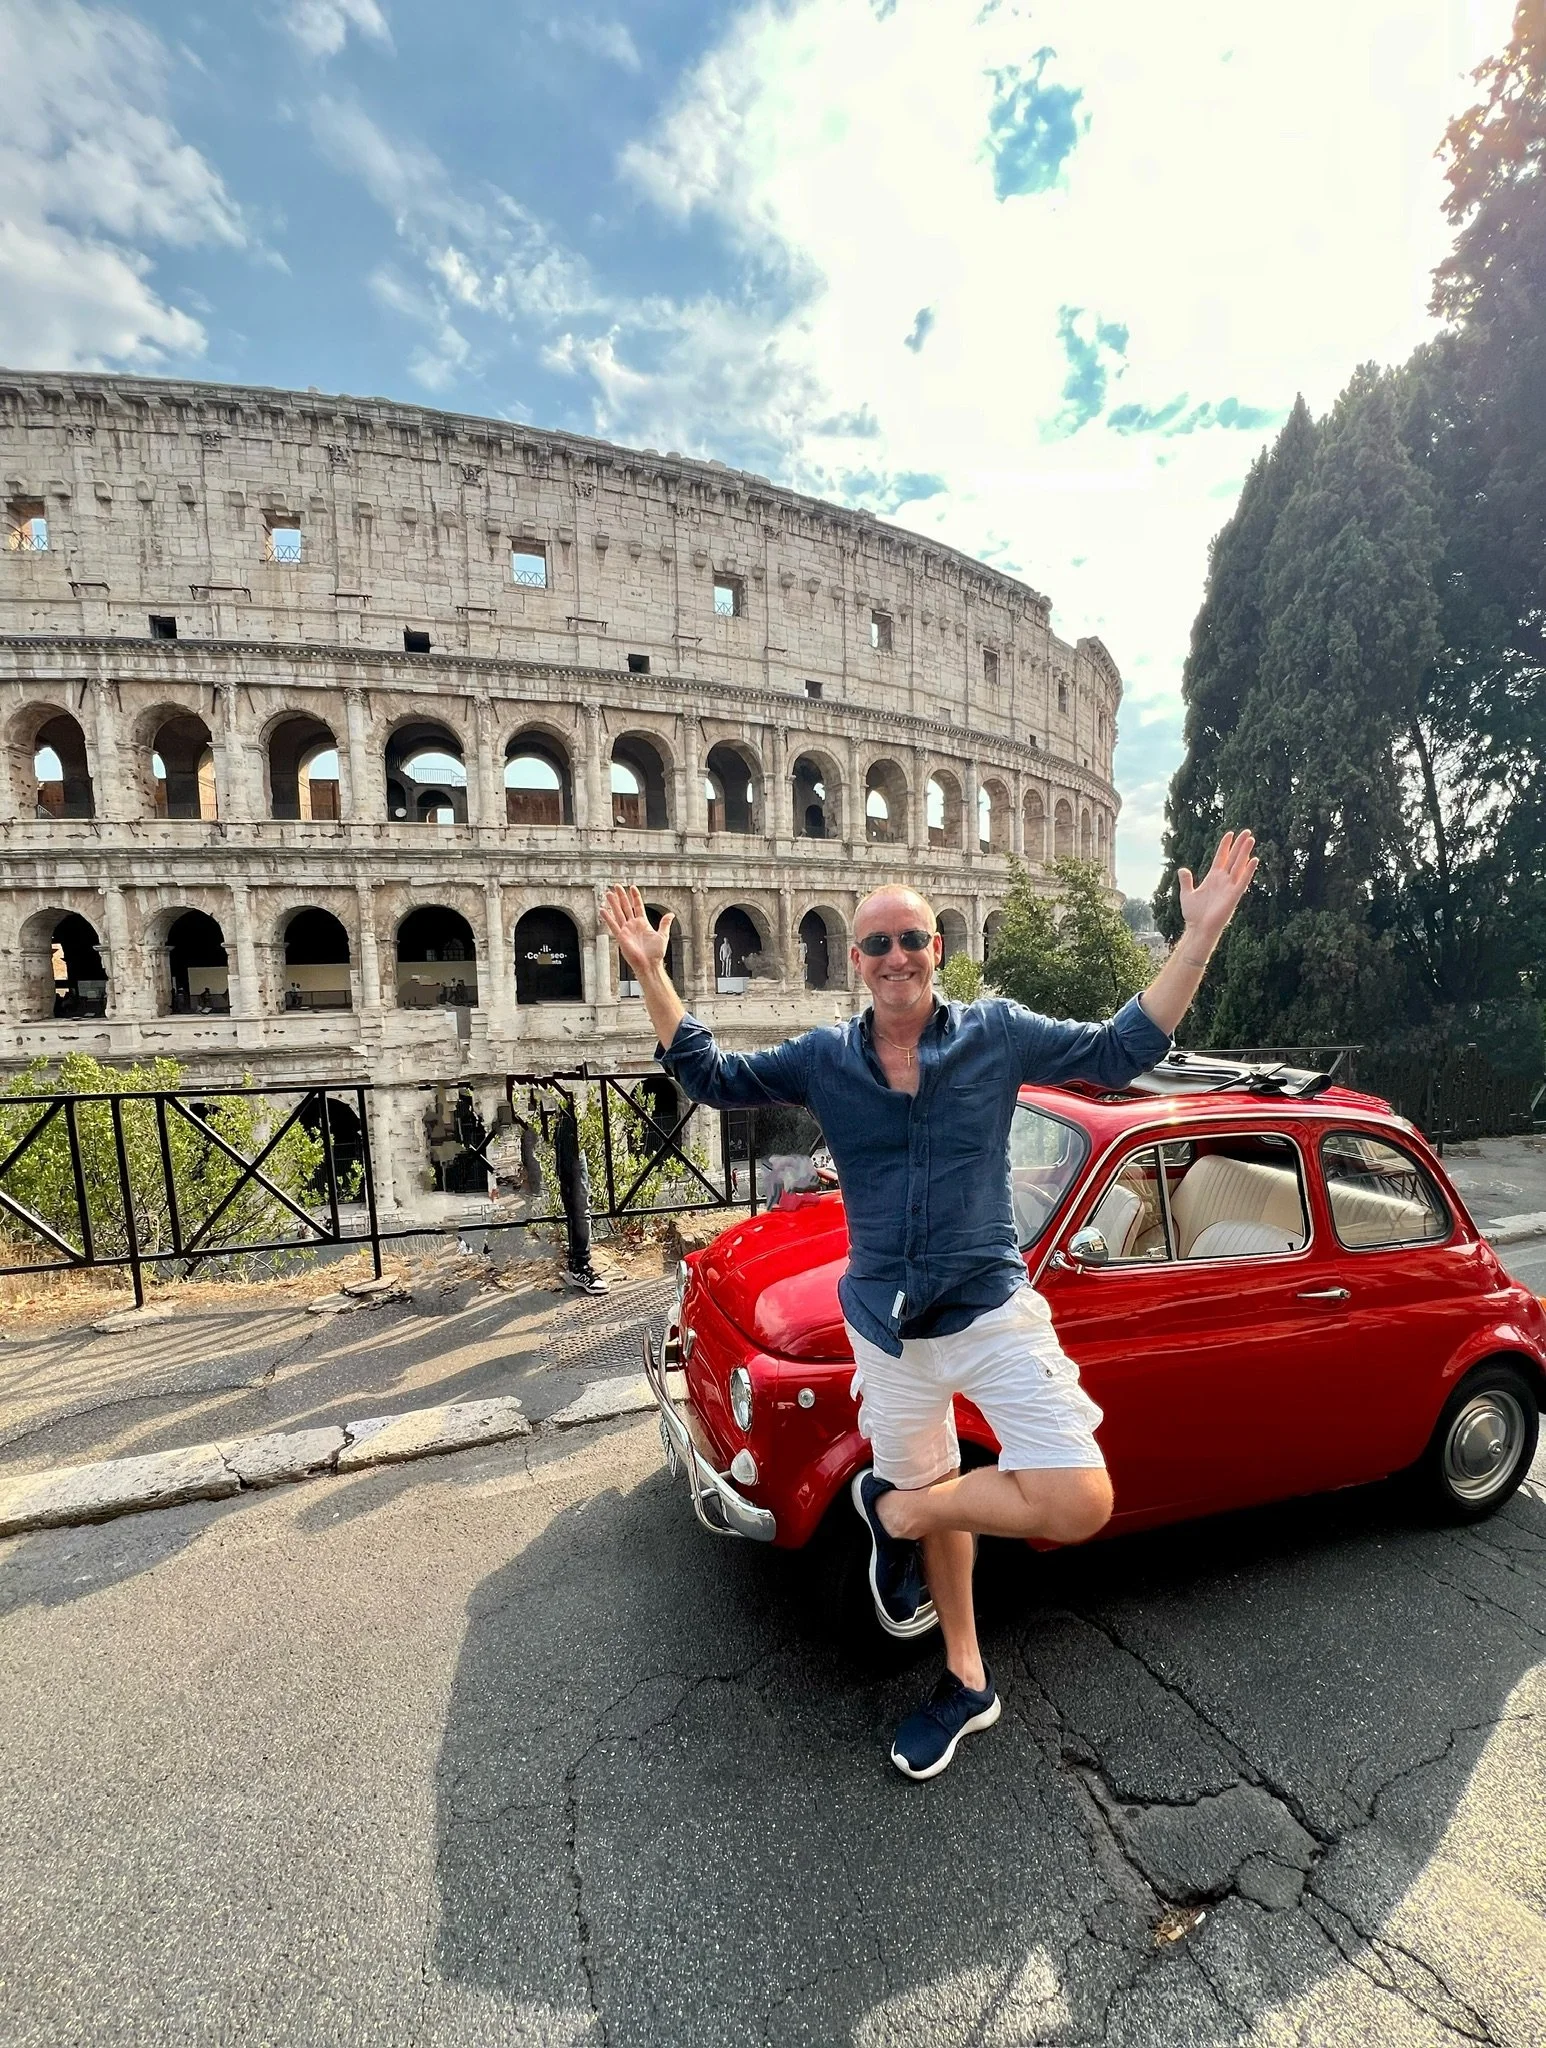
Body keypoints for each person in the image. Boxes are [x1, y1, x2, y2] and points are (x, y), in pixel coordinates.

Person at [599, 832, 1257, 1780]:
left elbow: (1123, 1050)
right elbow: (712, 1078)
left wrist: (1194, 940)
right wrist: (653, 976)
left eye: (912, 938)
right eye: (877, 944)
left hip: (990, 1309)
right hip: (886, 1329)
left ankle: (893, 1513)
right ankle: (964, 1678)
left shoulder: (993, 1033)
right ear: (855, 962)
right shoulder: (828, 1058)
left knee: (1076, 1497)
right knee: (941, 1501)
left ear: (936, 949)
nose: (897, 957)